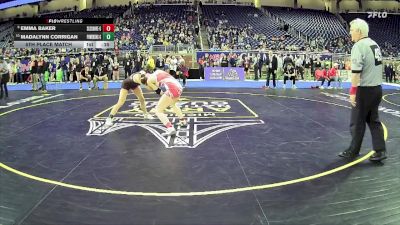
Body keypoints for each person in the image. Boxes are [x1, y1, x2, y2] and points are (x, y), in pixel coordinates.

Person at [339, 18, 387, 161]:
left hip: (364, 90)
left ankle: (353, 151)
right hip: (377, 89)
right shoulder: (374, 44)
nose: (350, 33)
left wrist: (353, 92)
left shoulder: (359, 46)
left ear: (359, 32)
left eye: (352, 30)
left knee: (357, 121)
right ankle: (380, 151)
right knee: (374, 121)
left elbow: (356, 73)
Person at [140, 70, 187, 136]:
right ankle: (183, 121)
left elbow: (160, 92)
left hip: (172, 89)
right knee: (173, 104)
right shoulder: (158, 71)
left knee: (158, 110)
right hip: (178, 86)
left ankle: (170, 129)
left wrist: (150, 87)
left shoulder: (149, 81)